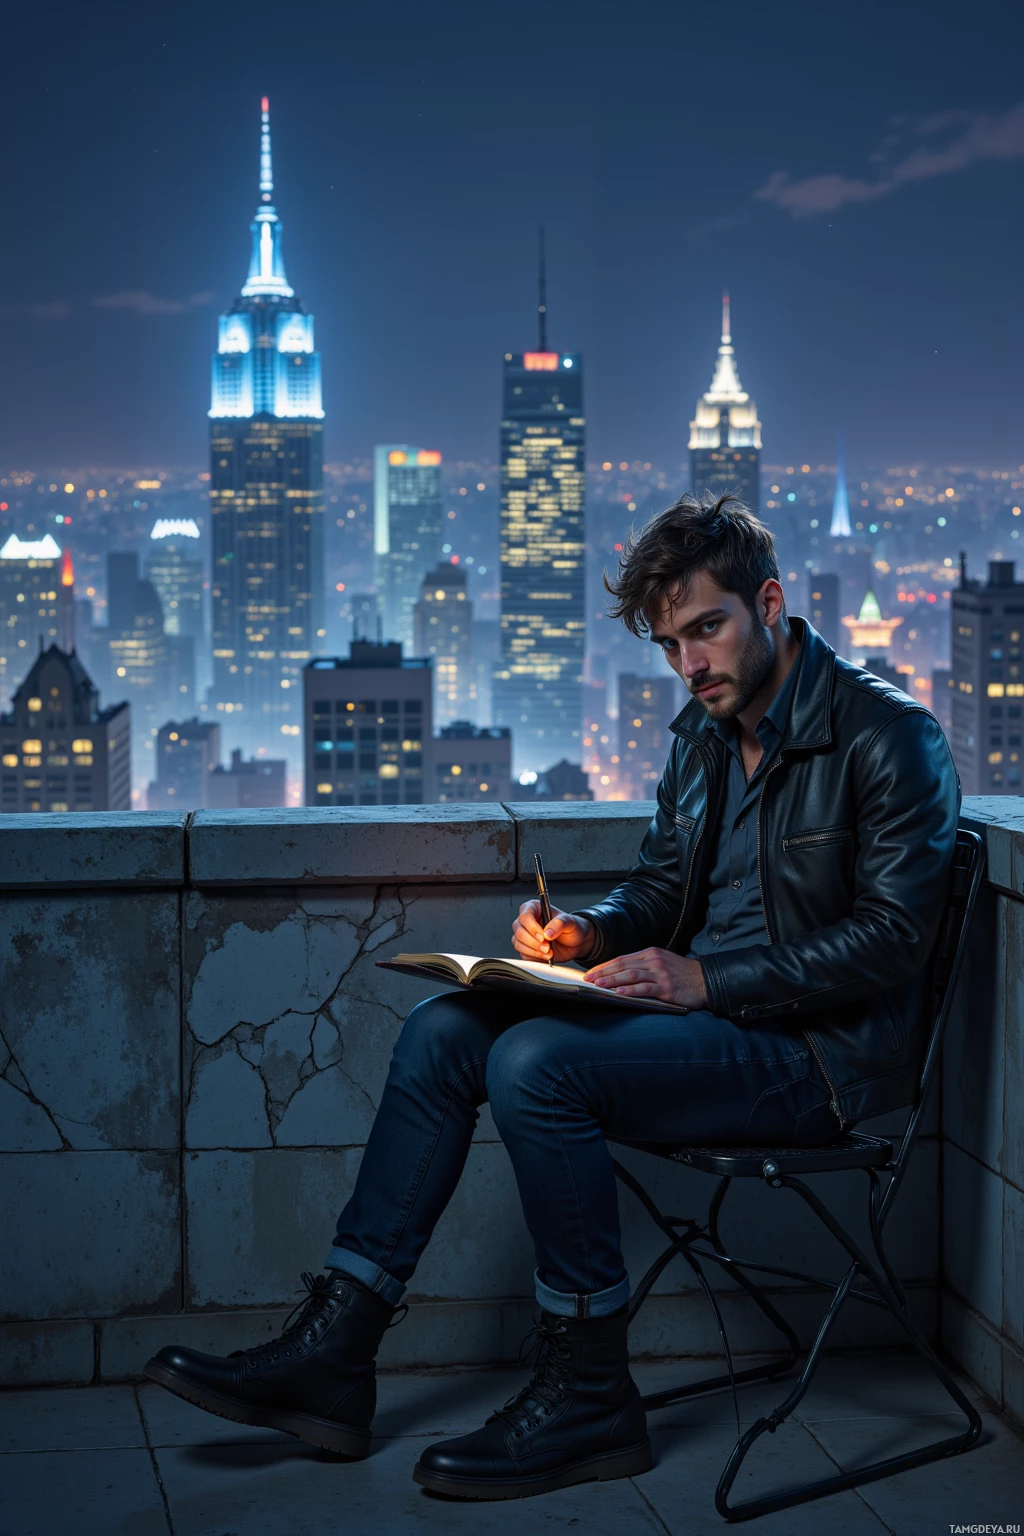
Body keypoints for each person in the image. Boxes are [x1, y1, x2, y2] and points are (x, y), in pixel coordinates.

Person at [145, 492, 959, 1501]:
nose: (690, 663)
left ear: (772, 603)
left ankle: (589, 1393)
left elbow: (894, 940)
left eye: (706, 629)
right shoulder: (703, 737)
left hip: (816, 1058)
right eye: (669, 644)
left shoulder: (887, 737)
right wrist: (593, 930)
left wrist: (708, 978)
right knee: (445, 1028)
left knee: (536, 1064)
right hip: (705, 1024)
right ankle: (337, 1348)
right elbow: (663, 886)